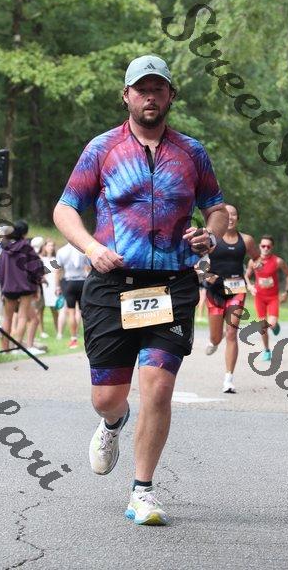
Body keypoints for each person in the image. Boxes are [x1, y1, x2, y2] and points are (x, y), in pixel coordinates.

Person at [53, 54, 228, 525]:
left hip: (171, 285)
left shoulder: (192, 152)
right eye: (141, 89)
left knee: (158, 385)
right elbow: (65, 209)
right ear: (126, 95)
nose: (150, 97)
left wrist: (209, 235)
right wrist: (91, 247)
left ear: (170, 95)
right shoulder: (102, 148)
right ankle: (113, 421)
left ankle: (143, 491)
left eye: (158, 89)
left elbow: (216, 207)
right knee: (108, 396)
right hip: (112, 284)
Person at [203, 204, 260, 393]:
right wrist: (206, 276)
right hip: (215, 291)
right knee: (216, 337)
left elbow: (256, 258)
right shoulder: (211, 239)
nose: (229, 218)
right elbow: (196, 262)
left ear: (238, 218)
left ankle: (228, 379)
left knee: (231, 333)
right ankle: (214, 340)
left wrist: (256, 268)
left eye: (233, 214)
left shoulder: (247, 240)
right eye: (226, 215)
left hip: (236, 289)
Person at [0, 220, 45, 356]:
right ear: (25, 233)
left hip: (8, 287)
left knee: (7, 318)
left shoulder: (5, 249)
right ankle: (17, 348)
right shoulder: (27, 247)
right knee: (23, 317)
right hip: (25, 287)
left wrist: (2, 286)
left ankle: (5, 350)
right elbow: (36, 268)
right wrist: (37, 285)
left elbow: (0, 270)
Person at [245, 235, 288, 361]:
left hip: (273, 298)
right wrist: (249, 286)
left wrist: (287, 292)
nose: (265, 248)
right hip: (259, 297)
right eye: (263, 246)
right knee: (262, 326)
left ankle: (274, 326)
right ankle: (266, 350)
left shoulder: (278, 261)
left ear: (272, 247)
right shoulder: (253, 261)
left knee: (271, 324)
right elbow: (246, 276)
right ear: (259, 246)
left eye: (268, 246)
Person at [55, 242, 89, 349]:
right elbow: (88, 268)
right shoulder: (83, 249)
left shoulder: (61, 251)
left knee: (71, 312)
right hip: (82, 282)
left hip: (69, 282)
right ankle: (87, 336)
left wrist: (57, 286)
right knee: (84, 312)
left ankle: (73, 338)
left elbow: (57, 270)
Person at [41, 238, 59, 334]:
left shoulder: (55, 259)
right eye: (49, 245)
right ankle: (42, 331)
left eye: (52, 246)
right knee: (41, 309)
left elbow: (58, 273)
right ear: (44, 247)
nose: (51, 247)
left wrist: (57, 286)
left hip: (53, 285)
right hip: (43, 285)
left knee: (54, 309)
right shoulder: (41, 259)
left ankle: (58, 330)